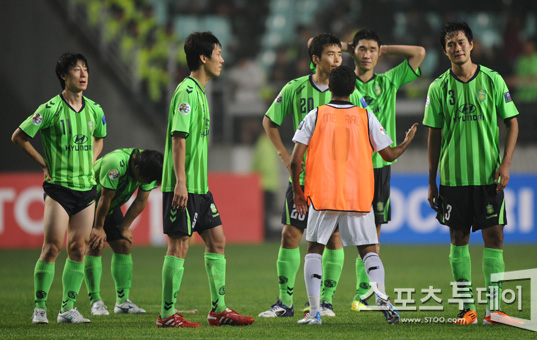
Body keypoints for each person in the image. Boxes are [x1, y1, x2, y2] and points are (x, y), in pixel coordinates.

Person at [291, 65, 418, 325]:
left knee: (314, 250)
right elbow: (389, 155)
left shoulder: (316, 115)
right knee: (369, 250)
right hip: (357, 194)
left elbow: (295, 160)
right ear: (353, 89)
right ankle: (381, 297)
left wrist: (297, 191)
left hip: (323, 194)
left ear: (330, 88)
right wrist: (406, 141)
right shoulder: (365, 116)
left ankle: (314, 312)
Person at [260, 33, 364, 318]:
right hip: (303, 178)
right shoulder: (294, 88)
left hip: (334, 179)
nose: (337, 59)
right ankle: (284, 302)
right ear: (316, 59)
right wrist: (284, 154)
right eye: (331, 54)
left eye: (339, 54)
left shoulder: (350, 92)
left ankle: (326, 302)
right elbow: (269, 121)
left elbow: (364, 126)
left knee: (333, 239)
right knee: (290, 235)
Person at [424, 21, 520, 326]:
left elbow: (512, 122)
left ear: (472, 44)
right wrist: (431, 181)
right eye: (450, 44)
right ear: (445, 51)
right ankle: (466, 308)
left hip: (488, 177)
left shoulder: (493, 80)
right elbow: (434, 135)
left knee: (495, 235)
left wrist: (505, 163)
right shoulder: (438, 87)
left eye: (461, 42)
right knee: (458, 237)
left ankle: (494, 309)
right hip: (453, 178)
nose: (457, 47)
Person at [156, 31, 255, 328]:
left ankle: (219, 310)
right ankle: (166, 315)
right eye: (218, 53)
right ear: (203, 57)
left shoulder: (200, 91)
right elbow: (178, 139)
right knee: (179, 246)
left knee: (217, 240)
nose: (222, 59)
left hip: (200, 187)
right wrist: (181, 183)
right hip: (183, 186)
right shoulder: (186, 92)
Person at [11, 52, 107, 324]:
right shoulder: (50, 109)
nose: (83, 74)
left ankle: (67, 309)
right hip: (59, 190)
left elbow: (100, 139)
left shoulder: (95, 110)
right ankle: (40, 308)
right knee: (52, 247)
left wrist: (92, 158)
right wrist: (43, 162)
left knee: (78, 248)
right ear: (64, 76)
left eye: (85, 69)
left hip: (87, 191)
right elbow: (19, 136)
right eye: (77, 70)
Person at [342, 28, 425, 312]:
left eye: (372, 50)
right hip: (351, 165)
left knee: (374, 230)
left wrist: (383, 47)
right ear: (353, 51)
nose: (367, 55)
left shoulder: (388, 81)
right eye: (362, 49)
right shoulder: (341, 82)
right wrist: (348, 46)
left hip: (380, 165)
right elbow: (313, 47)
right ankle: (355, 290)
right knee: (353, 230)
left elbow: (419, 53)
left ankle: (365, 290)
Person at [84, 148, 163, 316]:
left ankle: (122, 302)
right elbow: (104, 197)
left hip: (109, 207)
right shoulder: (116, 163)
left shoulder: (148, 166)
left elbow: (141, 201)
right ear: (138, 170)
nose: (148, 182)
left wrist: (124, 227)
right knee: (96, 245)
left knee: (123, 245)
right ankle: (96, 302)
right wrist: (98, 227)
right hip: (88, 205)